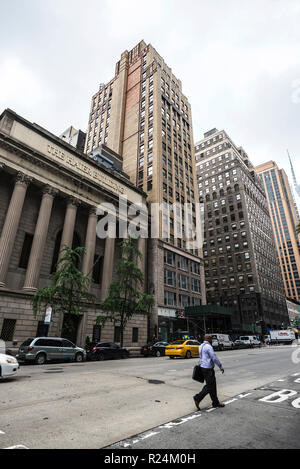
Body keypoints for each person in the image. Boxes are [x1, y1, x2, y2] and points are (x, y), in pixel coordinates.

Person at [193, 334, 225, 411]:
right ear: (208, 339)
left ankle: (215, 402)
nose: (211, 340)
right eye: (211, 338)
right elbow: (214, 357)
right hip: (208, 369)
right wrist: (220, 366)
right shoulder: (208, 347)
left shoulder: (201, 346)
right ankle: (197, 398)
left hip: (203, 367)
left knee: (213, 386)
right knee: (210, 386)